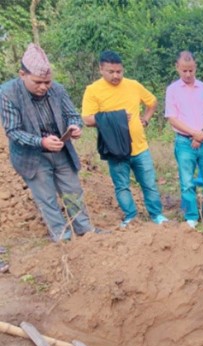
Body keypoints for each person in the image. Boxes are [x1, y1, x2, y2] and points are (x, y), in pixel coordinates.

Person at [0, 44, 97, 242]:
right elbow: (13, 131)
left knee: (73, 191)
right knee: (47, 198)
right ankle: (63, 238)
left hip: (60, 149)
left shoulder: (57, 90)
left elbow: (72, 115)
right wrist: (41, 142)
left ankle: (86, 232)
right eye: (38, 82)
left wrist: (75, 127)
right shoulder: (7, 93)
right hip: (31, 156)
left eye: (47, 82)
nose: (44, 87)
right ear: (22, 74)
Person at [82, 50, 168, 227]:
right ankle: (131, 217)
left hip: (140, 146)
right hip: (115, 148)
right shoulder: (93, 90)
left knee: (149, 184)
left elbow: (152, 102)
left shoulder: (133, 85)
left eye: (119, 71)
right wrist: (117, 117)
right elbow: (87, 119)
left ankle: (157, 215)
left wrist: (146, 119)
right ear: (101, 69)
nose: (116, 76)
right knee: (122, 186)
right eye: (111, 72)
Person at [165, 51, 203, 229]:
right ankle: (191, 216)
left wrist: (202, 133)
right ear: (177, 68)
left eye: (191, 70)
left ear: (195, 67)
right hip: (184, 143)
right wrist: (194, 134)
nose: (188, 75)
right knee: (187, 182)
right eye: (184, 71)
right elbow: (172, 118)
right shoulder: (172, 90)